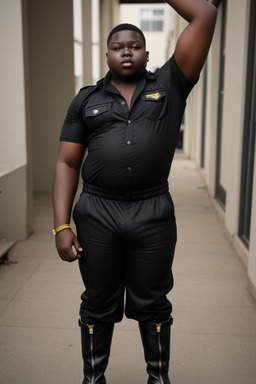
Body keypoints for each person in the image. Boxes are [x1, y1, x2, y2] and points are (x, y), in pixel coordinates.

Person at [52, 1, 217, 383]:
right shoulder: (85, 100)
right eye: (117, 46)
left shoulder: (171, 85)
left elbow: (205, 14)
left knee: (154, 302)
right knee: (97, 302)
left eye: (135, 45)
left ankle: (158, 378)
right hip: (97, 212)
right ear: (107, 53)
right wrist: (61, 227)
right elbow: (66, 163)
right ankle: (93, 378)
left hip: (152, 211)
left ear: (146, 52)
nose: (126, 51)